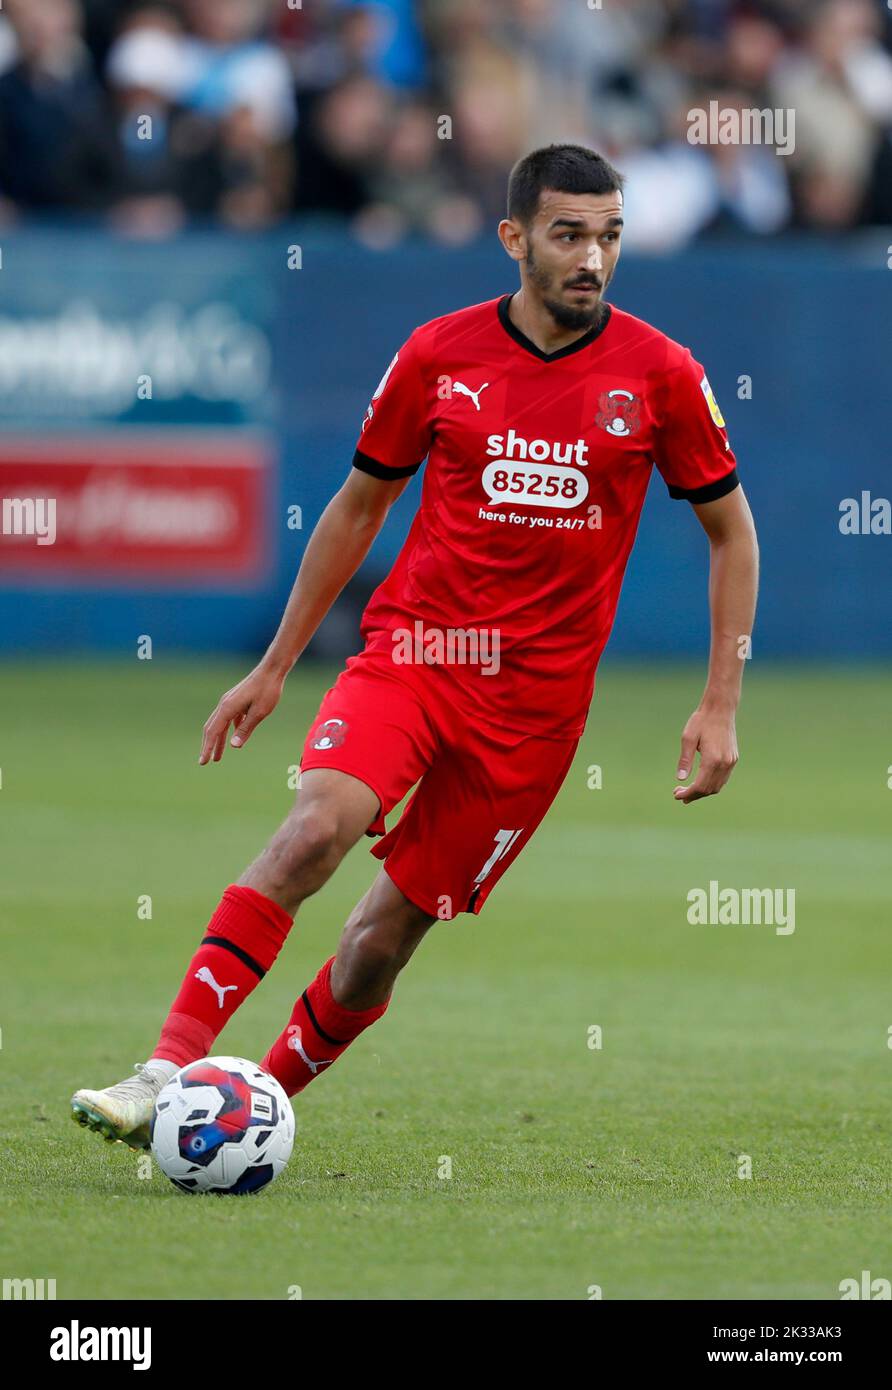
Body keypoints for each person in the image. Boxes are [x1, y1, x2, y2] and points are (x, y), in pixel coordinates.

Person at [71, 143, 759, 1149]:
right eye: (568, 234)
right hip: (417, 655)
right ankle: (164, 1067)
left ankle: (241, 1113)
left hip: (534, 713)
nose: (592, 260)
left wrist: (720, 701)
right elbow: (358, 507)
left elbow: (731, 531)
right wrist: (274, 664)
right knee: (313, 831)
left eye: (609, 236)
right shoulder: (439, 354)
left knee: (376, 947)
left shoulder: (661, 376)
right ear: (513, 238)